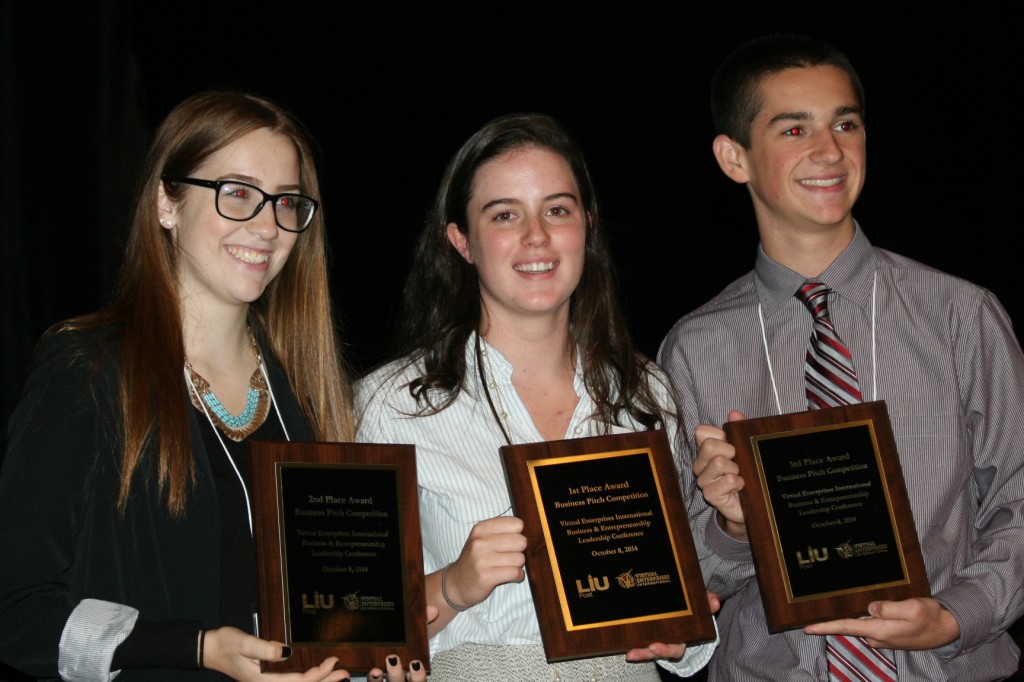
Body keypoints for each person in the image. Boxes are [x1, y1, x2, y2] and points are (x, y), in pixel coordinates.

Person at [0, 91, 426, 682]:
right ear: (166, 203)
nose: (267, 225)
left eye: (286, 202)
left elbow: (334, 614)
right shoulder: (88, 373)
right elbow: (18, 613)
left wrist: (365, 662)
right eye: (238, 193)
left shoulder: (306, 391)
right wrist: (196, 647)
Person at [657, 33, 1024, 680]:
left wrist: (956, 613)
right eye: (794, 130)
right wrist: (733, 526)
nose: (829, 151)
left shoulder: (960, 317)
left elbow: (1018, 502)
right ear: (733, 157)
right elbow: (686, 578)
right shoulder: (695, 347)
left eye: (845, 124)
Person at [355, 112, 717, 681]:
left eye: (557, 210)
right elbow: (347, 632)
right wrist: (454, 585)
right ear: (461, 241)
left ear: (587, 226)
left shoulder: (645, 391)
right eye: (505, 215)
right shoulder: (390, 405)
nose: (536, 237)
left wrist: (676, 628)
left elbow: (681, 601)